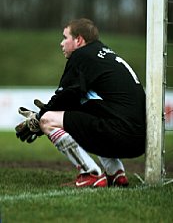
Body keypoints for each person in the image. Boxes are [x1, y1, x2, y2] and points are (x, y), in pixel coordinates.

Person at [16, 18, 146, 188]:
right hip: (140, 141)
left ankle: (90, 173)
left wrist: (40, 117)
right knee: (87, 110)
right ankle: (115, 173)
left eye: (65, 37)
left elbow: (67, 95)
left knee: (48, 120)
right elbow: (75, 100)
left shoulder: (82, 55)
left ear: (78, 40)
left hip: (121, 134)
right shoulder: (103, 54)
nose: (61, 43)